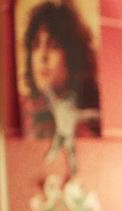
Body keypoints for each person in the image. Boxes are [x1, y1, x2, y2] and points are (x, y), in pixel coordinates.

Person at [21, 0, 101, 174]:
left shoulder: (86, 131)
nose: (42, 56)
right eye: (36, 46)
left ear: (72, 55)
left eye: (53, 46)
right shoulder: (26, 112)